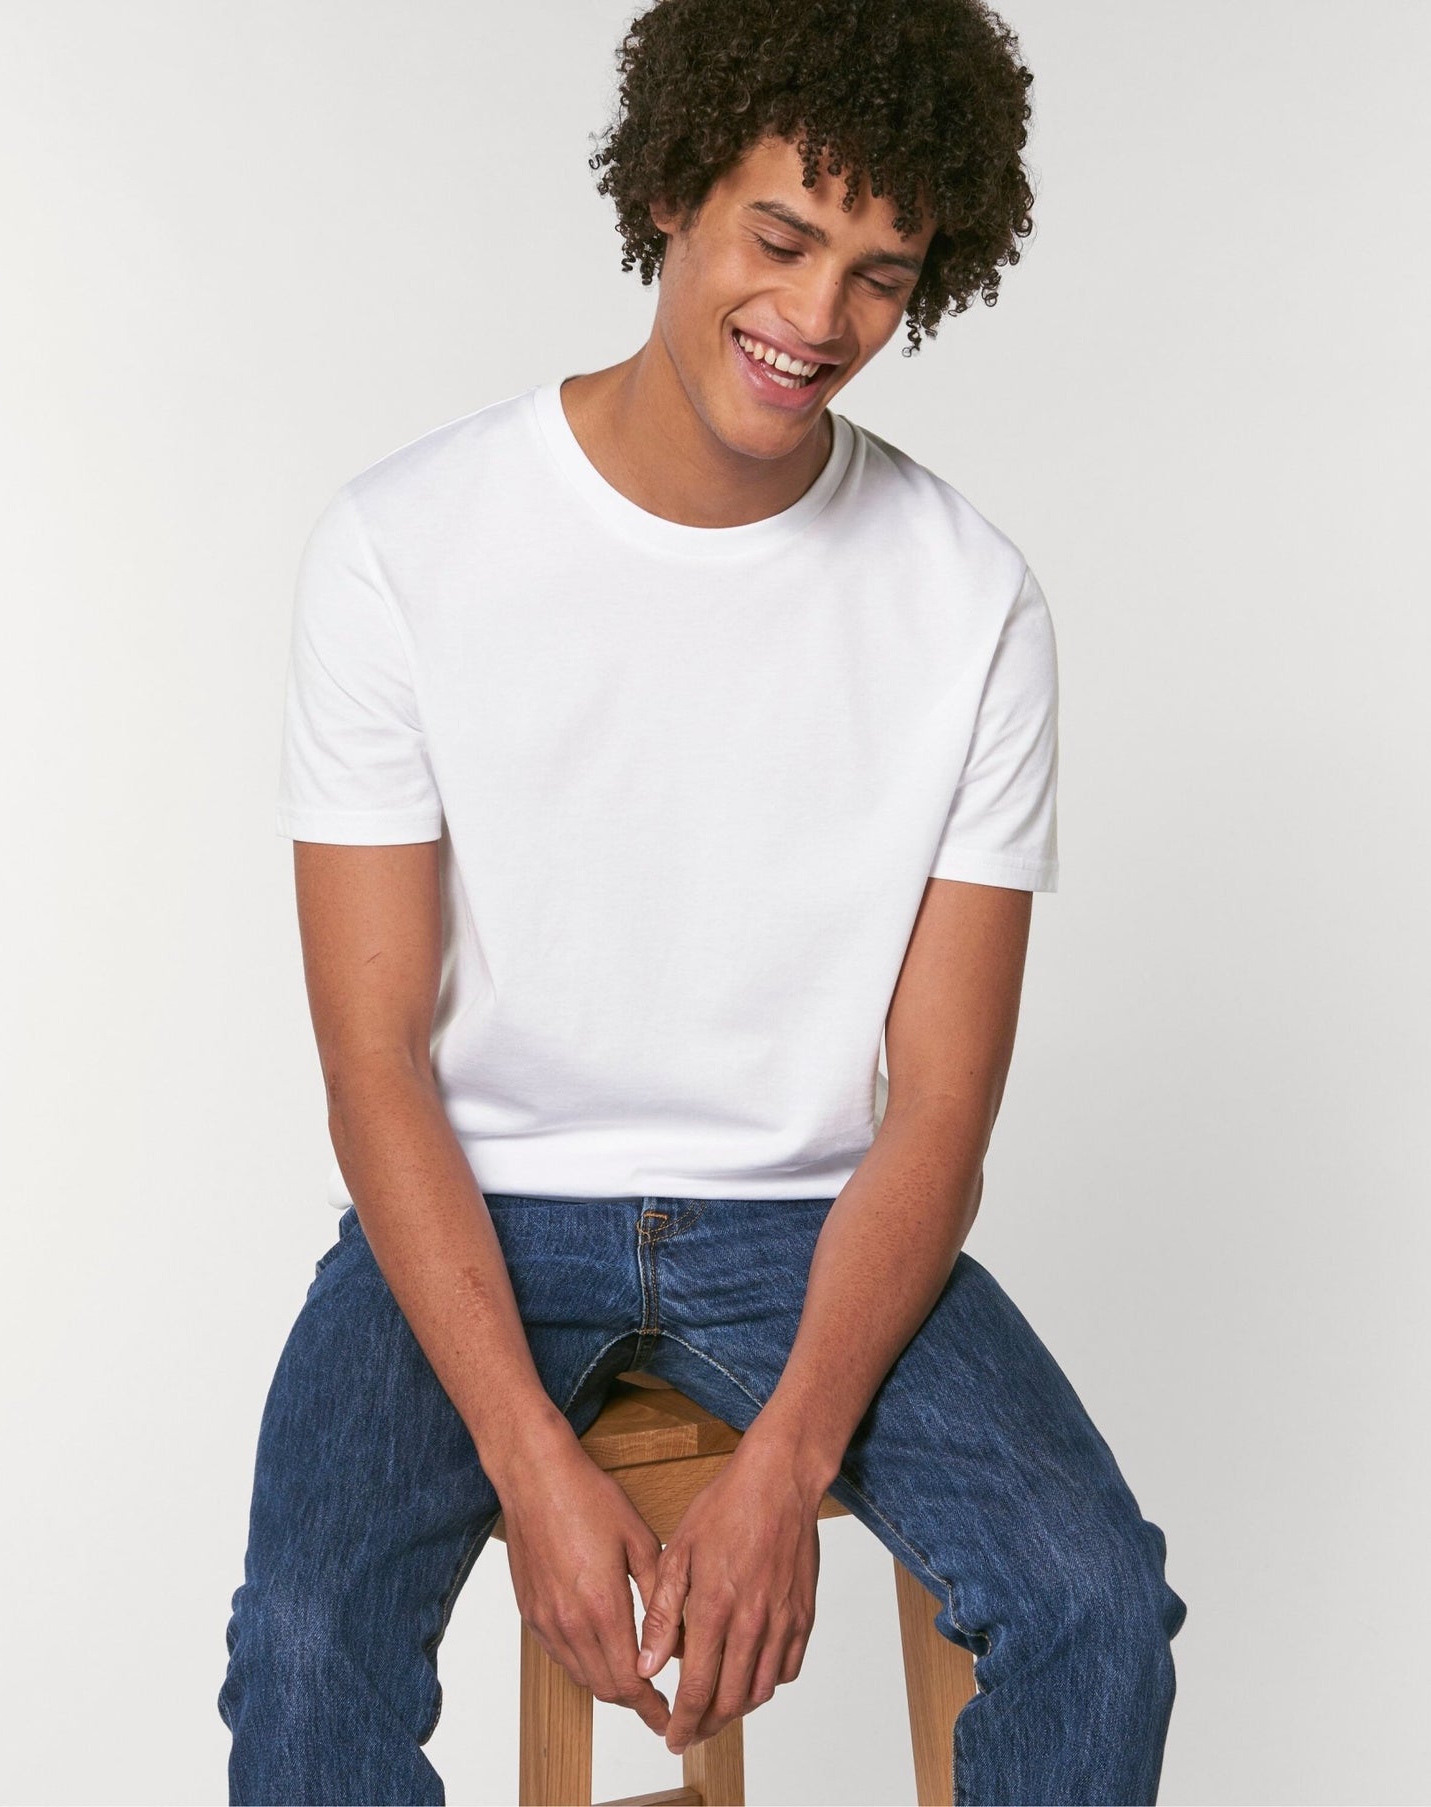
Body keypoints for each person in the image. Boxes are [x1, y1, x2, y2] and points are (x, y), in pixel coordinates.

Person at [217, 1, 1188, 1801]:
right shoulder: (402, 545)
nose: (818, 318)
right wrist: (528, 1460)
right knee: (301, 1642)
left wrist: (784, 1462)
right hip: (482, 1202)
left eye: (881, 275)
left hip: (812, 1220)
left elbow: (941, 1106)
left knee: (1095, 1605)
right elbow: (374, 1062)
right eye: (781, 236)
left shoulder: (968, 600)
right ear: (670, 188)